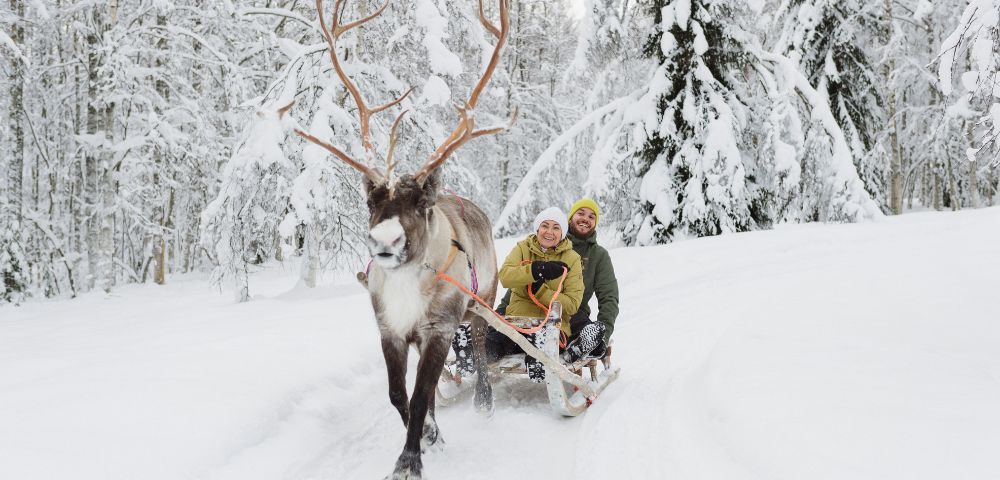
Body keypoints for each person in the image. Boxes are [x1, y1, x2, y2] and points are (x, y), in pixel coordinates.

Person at [452, 207, 585, 381]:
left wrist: (541, 291)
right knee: (496, 342)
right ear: (537, 229)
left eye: (556, 227)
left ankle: (538, 359)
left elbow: (573, 303)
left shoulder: (572, 259)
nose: (549, 232)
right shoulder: (523, 248)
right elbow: (505, 277)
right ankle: (470, 356)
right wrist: (534, 270)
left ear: (562, 233)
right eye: (545, 226)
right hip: (516, 321)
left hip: (550, 326)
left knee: (540, 349)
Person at [495, 198, 619, 363]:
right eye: (580, 213)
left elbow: (609, 298)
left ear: (595, 223)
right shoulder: (547, 241)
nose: (585, 219)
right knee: (503, 330)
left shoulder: (598, 255)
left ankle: (581, 347)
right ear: (569, 219)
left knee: (586, 333)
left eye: (591, 217)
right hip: (531, 307)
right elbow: (523, 281)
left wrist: (604, 336)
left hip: (572, 313)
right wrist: (502, 310)